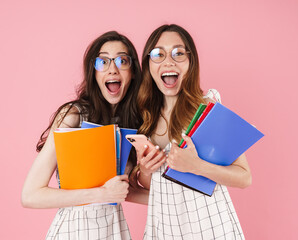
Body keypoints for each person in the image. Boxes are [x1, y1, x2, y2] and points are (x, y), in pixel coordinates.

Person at [22, 31, 148, 240]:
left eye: (122, 60)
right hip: (74, 232)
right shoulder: (74, 115)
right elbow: (30, 195)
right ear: (93, 72)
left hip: (114, 231)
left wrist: (180, 198)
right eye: (103, 61)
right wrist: (101, 194)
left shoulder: (132, 124)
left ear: (133, 71)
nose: (112, 69)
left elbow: (125, 191)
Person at [133, 24, 251, 239]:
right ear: (148, 64)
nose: (168, 61)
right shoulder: (144, 118)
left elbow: (244, 178)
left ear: (190, 62)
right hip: (163, 228)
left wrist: (197, 166)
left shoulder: (206, 108)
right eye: (158, 54)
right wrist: (147, 170)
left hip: (209, 227)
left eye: (178, 53)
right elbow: (157, 186)